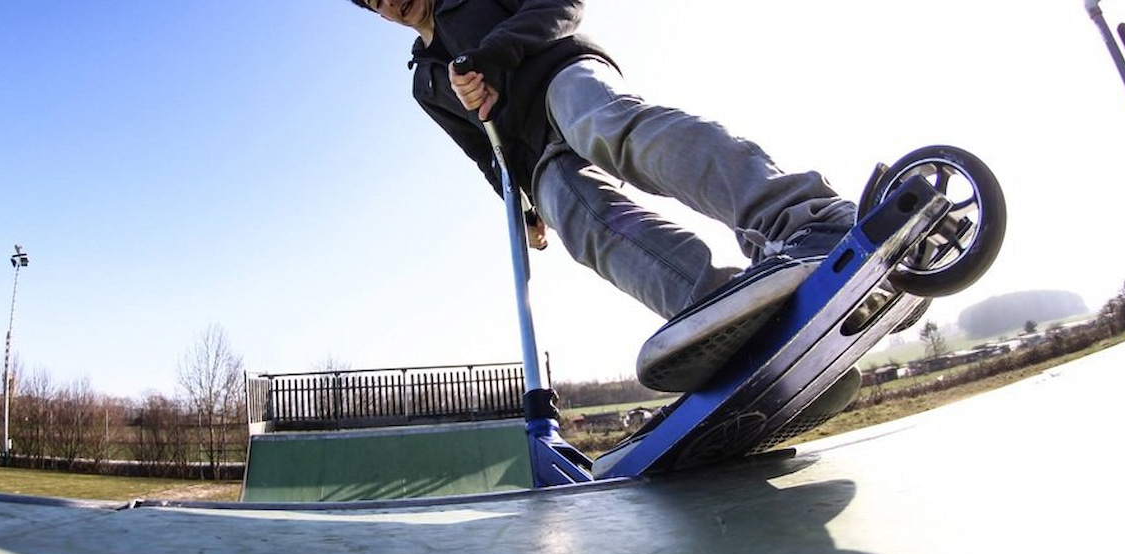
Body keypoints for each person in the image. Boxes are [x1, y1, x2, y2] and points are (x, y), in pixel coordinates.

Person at [347, 0, 858, 398]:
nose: (393, 2)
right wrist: (522, 208)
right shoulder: (426, 81)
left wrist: (495, 54)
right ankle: (723, 317)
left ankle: (805, 218)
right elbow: (482, 151)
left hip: (563, 76)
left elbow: (560, 6)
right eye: (376, 3)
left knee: (610, 130)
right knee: (586, 225)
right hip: (530, 148)